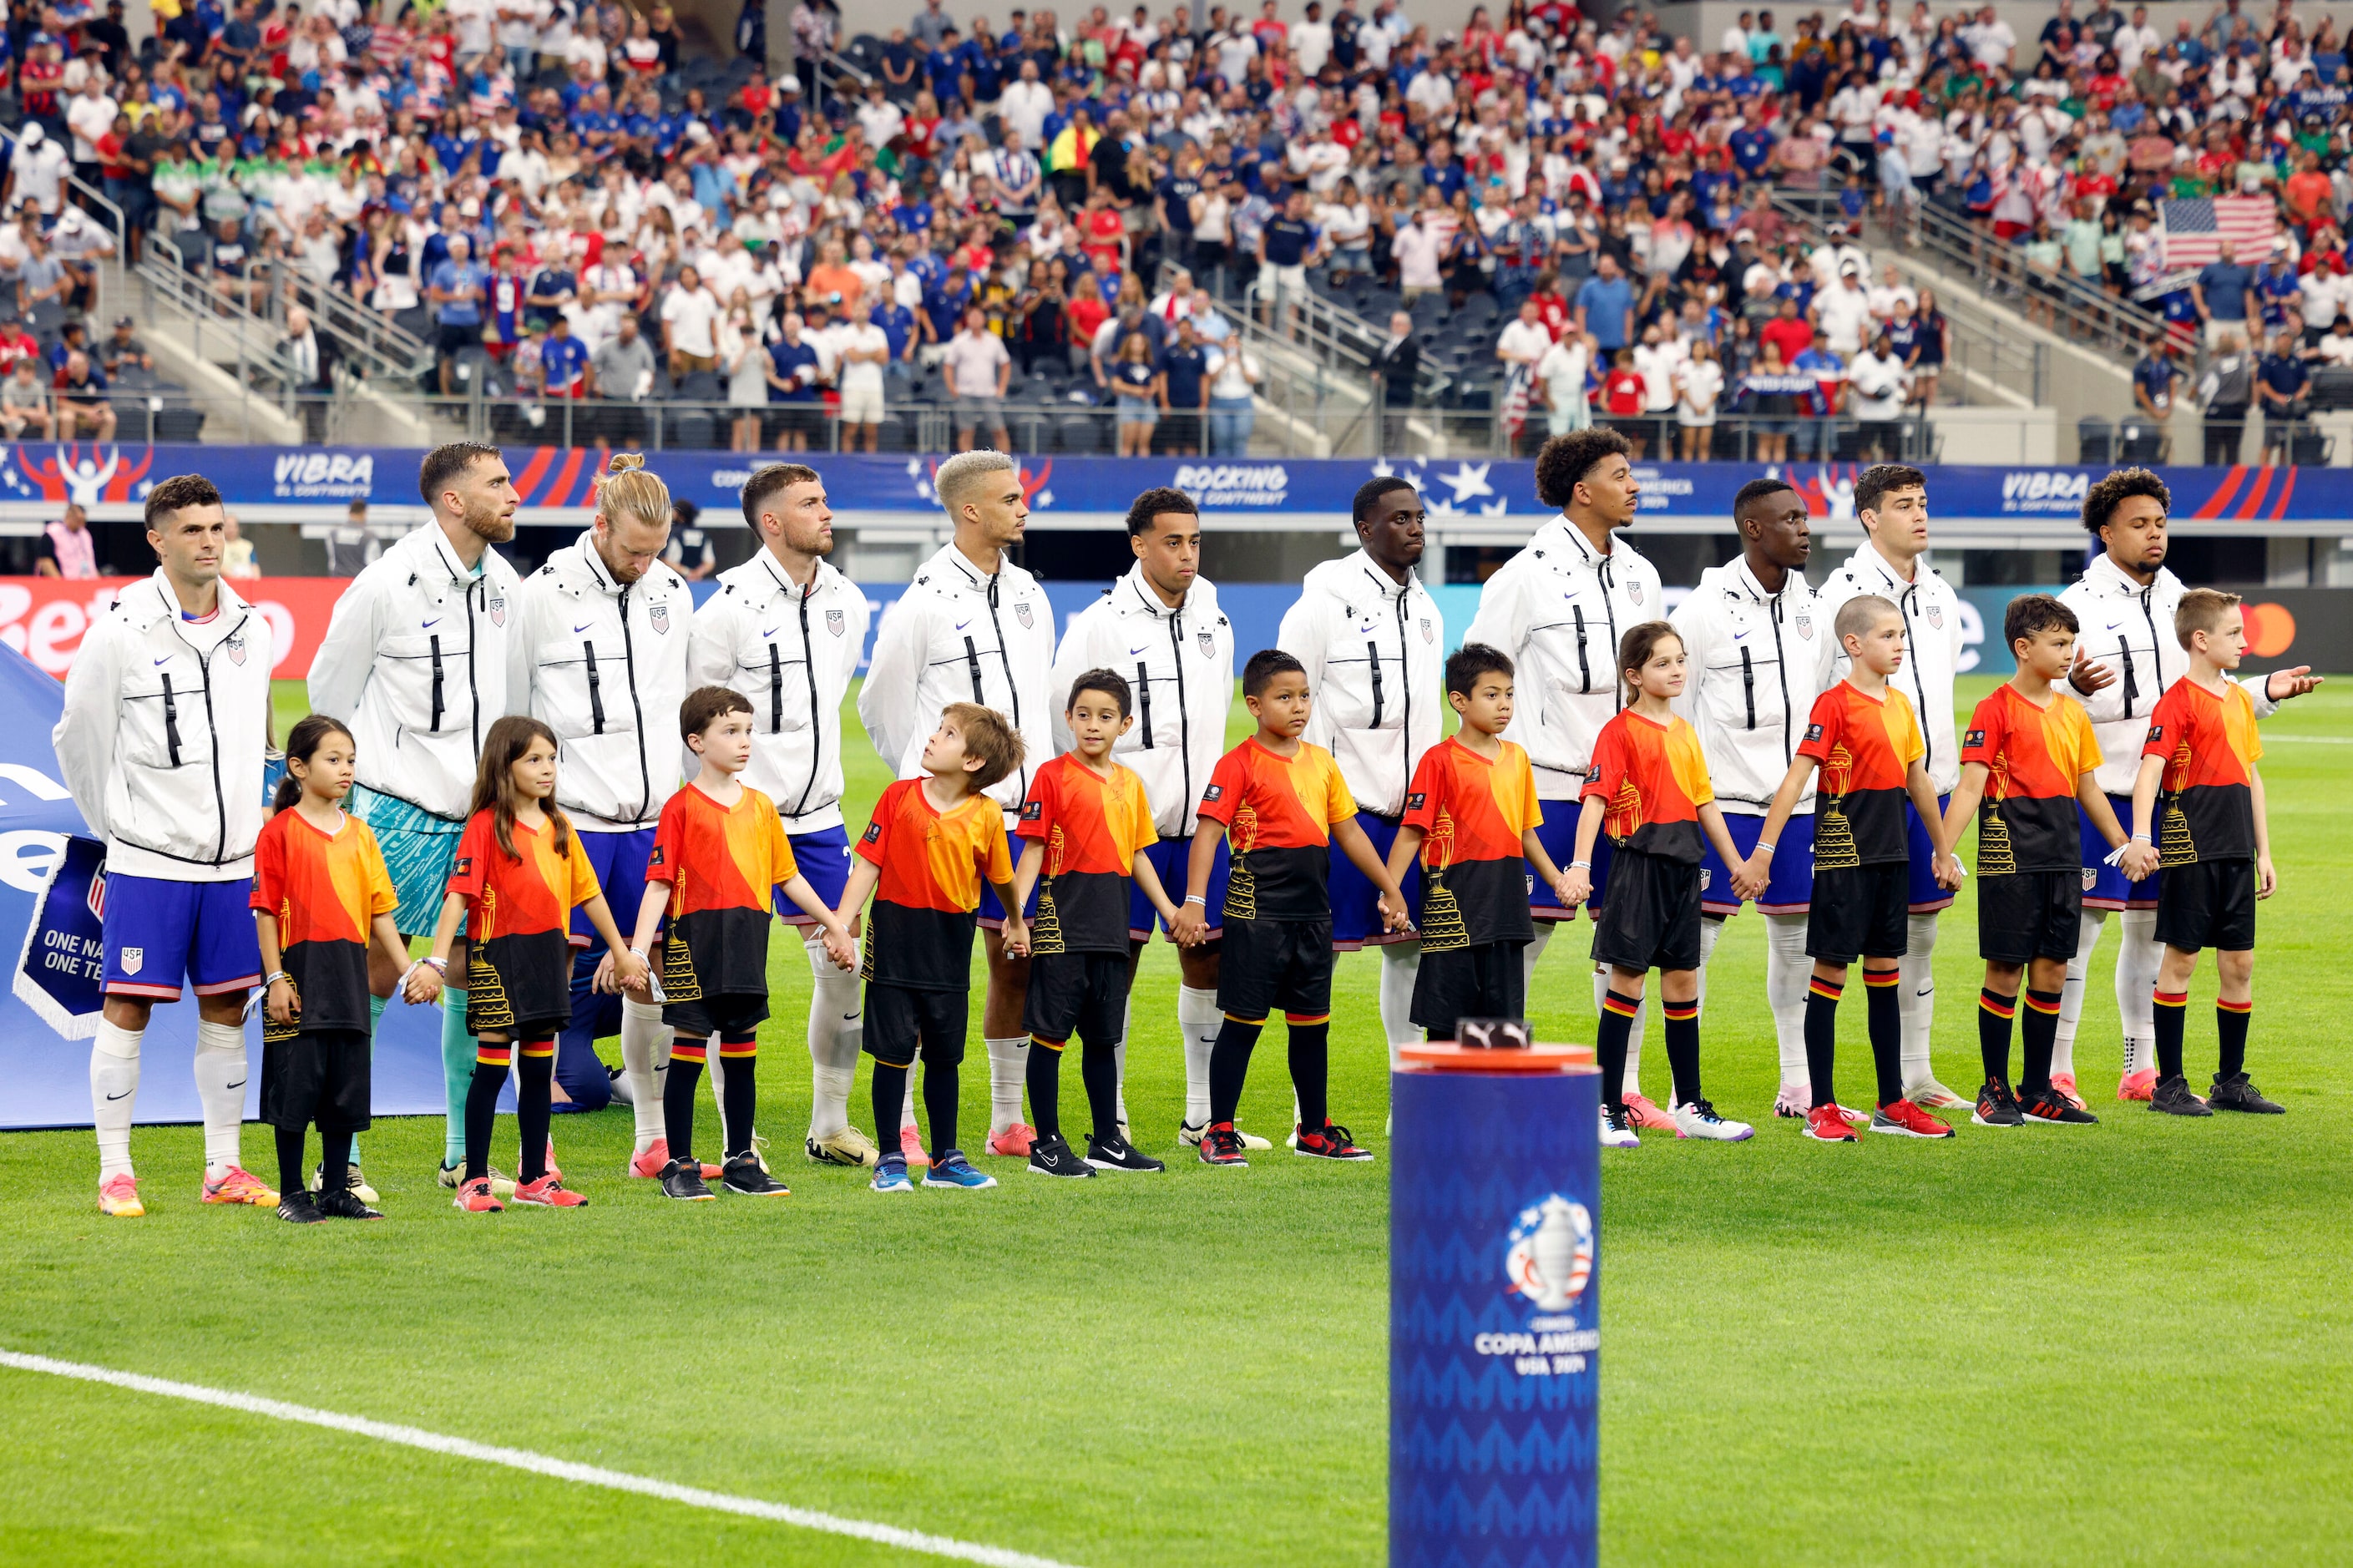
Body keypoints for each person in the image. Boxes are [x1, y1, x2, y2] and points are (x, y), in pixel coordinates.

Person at [54, 474, 277, 1218]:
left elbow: (258, 743)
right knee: (127, 1008)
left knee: (226, 1007)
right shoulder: (120, 631)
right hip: (149, 861)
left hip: (233, 865)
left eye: (216, 527)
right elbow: (78, 740)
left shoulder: (255, 627)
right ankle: (115, 1172)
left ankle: (225, 1167)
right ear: (157, 539)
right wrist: (116, 827)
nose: (210, 541)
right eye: (192, 530)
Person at [2055, 469, 2310, 1102]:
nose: (2154, 535)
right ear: (2106, 532)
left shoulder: (2185, 600)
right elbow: (2043, 700)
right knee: (2080, 933)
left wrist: (2266, 693)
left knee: (2150, 934)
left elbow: (2207, 698)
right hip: (2102, 790)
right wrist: (2075, 690)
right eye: (2139, 525)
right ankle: (2059, 1066)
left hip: (2177, 802)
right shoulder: (2078, 606)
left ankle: (2139, 1067)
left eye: (2160, 524)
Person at [310, 443, 525, 1191]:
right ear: (454, 501)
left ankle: (463, 1154)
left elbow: (514, 700)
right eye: (498, 484)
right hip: (396, 809)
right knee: (367, 974)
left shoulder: (505, 583)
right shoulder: (383, 584)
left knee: (469, 972)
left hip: (480, 818)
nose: (514, 494)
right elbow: (328, 692)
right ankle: (343, 1157)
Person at [1465, 431, 1669, 1121]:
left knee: (1626, 944)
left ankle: (1625, 1089)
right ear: (1584, 490)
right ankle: (1492, 1086)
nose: (1634, 484)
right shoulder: (1523, 575)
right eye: (1621, 473)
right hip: (1547, 788)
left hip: (1630, 796)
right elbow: (1474, 678)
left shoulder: (1641, 573)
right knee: (1519, 939)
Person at [861, 450, 1058, 1162]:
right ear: (970, 510)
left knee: (1016, 961)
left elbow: (1042, 704)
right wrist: (933, 793)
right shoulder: (923, 602)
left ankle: (1007, 1120)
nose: (1023, 508)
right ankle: (906, 1122)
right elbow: (880, 704)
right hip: (940, 822)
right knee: (921, 973)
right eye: (1011, 499)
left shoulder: (1032, 594)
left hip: (1019, 816)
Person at [688, 464, 876, 1166]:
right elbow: (697, 721)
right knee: (727, 984)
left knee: (845, 965)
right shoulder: (727, 609)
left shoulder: (847, 600)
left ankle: (830, 1125)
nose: (827, 512)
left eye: (825, 498)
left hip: (820, 821)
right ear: (772, 522)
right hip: (736, 825)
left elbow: (837, 702)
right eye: (810, 503)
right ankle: (737, 1133)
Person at [1047, 488, 1246, 1147]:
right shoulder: (1100, 623)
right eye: (1171, 541)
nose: (1186, 554)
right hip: (1125, 834)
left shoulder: (1212, 609)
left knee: (1210, 960)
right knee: (1116, 970)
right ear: (1138, 545)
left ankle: (1201, 1114)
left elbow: (1216, 708)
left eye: (1193, 540)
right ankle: (1115, 1115)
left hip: (1204, 829)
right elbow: (1064, 719)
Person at [507, 454, 693, 1145]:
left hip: (653, 821)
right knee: (564, 978)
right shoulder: (543, 593)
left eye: (656, 552)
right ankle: (549, 1074)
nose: (645, 565)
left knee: (657, 965)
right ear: (600, 524)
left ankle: (639, 1085)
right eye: (633, 551)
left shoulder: (673, 592)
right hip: (576, 821)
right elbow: (512, 708)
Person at [1171, 650, 1408, 1167]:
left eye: (1304, 696)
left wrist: (1390, 887)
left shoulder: (1322, 762)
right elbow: (1207, 835)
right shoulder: (1237, 764)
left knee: (1312, 1024)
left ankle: (1315, 1131)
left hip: (1311, 916)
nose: (1298, 706)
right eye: (1284, 697)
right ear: (1254, 705)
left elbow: (1347, 831)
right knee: (1243, 1022)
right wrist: (1193, 901)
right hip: (1257, 914)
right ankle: (1220, 1130)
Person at [1746, 596, 1963, 1143]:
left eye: (1901, 635)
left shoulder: (1901, 706)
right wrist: (1764, 851)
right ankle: (1821, 1107)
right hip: (1845, 861)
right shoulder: (1833, 705)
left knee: (1885, 976)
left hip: (1893, 857)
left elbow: (1919, 782)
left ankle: (1892, 1103)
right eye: (1888, 635)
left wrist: (1942, 851)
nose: (1899, 644)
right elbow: (1797, 778)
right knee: (1831, 976)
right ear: (1854, 644)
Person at [625, 686, 854, 1201]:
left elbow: (788, 878)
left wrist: (833, 923)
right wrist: (639, 952)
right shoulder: (681, 808)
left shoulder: (763, 808)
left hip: (748, 942)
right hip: (694, 944)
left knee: (742, 1054)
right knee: (686, 1050)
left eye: (749, 730)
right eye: (730, 731)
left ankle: (740, 1161)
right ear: (697, 742)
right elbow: (659, 883)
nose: (745, 741)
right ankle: (678, 1165)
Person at [416, 716, 646, 1211]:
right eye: (534, 760)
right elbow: (458, 898)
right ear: (505, 766)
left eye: (552, 759)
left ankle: (534, 1179)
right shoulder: (485, 827)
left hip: (545, 958)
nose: (548, 770)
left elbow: (590, 895)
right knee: (493, 1070)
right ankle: (473, 1182)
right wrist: (437, 961)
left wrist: (622, 951)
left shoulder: (561, 827)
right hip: (498, 959)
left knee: (540, 1070)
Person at [1941, 595, 2148, 1130]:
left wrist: (2124, 844)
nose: (2068, 653)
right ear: (2023, 647)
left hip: (2062, 858)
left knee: (2054, 970)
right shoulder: (1996, 708)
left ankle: (2037, 1089)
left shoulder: (2073, 714)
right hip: (2010, 859)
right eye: (2058, 643)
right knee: (2006, 969)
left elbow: (2087, 788)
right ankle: (1993, 1090)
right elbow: (1970, 785)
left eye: (2070, 642)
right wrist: (1945, 849)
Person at [1668, 478, 1834, 1117]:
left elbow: (1825, 696)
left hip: (1798, 807)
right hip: (1724, 807)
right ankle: (1677, 1091)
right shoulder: (1703, 612)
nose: (1804, 528)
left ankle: (1796, 1086)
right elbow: (1674, 716)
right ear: (1753, 529)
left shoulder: (1813, 607)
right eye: (1790, 518)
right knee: (1693, 947)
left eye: (1805, 517)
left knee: (1797, 940)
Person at [1561, 623, 1757, 1148]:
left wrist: (1738, 863)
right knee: (1627, 984)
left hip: (1682, 870)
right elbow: (1596, 802)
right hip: (1637, 868)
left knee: (1683, 985)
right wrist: (1581, 865)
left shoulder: (1686, 732)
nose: (1676, 670)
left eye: (1680, 660)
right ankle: (1606, 1110)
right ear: (1634, 675)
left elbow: (1704, 805)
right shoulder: (1620, 731)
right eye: (1662, 663)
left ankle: (1690, 1106)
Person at [1277, 478, 1443, 1085]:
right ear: (1365, 529)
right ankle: (1306, 1115)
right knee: (1319, 960)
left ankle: (1410, 1102)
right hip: (1342, 817)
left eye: (1420, 517)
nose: (1415, 527)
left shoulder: (1426, 607)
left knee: (1411, 951)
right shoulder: (1322, 604)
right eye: (1400, 518)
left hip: (1416, 820)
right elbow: (1285, 704)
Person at [1814, 464, 1971, 1108]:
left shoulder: (1938, 594)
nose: (1920, 514)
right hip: (1860, 801)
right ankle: (1803, 1083)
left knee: (1920, 934)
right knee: (1820, 941)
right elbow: (1816, 694)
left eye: (1923, 503)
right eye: (1904, 505)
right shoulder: (1839, 593)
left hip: (1929, 787)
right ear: (1870, 518)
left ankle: (1916, 1075)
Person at [837, 705, 1029, 1194]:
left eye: (947, 734)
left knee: (945, 1056)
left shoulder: (986, 814)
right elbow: (867, 866)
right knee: (893, 1053)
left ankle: (945, 1159)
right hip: (895, 941)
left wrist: (1015, 922)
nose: (931, 738)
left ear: (972, 762)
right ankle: (891, 1159)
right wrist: (841, 925)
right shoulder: (897, 797)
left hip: (949, 947)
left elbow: (1001, 878)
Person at [1007, 669, 1182, 1177]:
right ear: (1068, 718)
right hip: (1062, 929)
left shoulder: (1130, 783)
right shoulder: (1052, 775)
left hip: (1112, 929)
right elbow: (1033, 849)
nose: (1092, 725)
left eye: (1105, 717)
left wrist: (1169, 911)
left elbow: (1138, 856)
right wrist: (1018, 920)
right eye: (1083, 715)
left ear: (1125, 723)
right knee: (1050, 1037)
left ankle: (1107, 1139)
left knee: (1104, 1039)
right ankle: (1047, 1143)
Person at [2130, 590, 2281, 1116]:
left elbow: (2251, 775)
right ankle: (2168, 1084)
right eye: (2234, 632)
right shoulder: (2176, 702)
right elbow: (2150, 771)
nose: (2244, 641)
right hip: (2191, 849)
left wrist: (2264, 851)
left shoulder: (2240, 700)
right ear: (2202, 639)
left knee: (2239, 964)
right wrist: (2143, 836)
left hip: (2237, 850)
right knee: (2183, 960)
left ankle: (2231, 1082)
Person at [252, 716, 407, 1222]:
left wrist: (406, 970)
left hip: (347, 975)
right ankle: (293, 1193)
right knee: (295, 1082)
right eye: (333, 759)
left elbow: (381, 911)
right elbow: (267, 911)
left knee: (346, 1084)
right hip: (298, 975)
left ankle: (338, 1190)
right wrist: (275, 978)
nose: (346, 770)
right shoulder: (278, 833)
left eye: (351, 760)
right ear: (298, 767)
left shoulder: (361, 835)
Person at [1385, 644, 1575, 1043]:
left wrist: (1556, 880)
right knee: (1446, 1026)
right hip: (1453, 911)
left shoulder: (1518, 758)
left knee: (1503, 1027)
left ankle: (1497, 1106)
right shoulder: (1439, 761)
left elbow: (1525, 832)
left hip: (1505, 909)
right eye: (1491, 695)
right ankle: (1442, 1107)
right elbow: (1412, 831)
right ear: (1459, 700)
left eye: (1509, 694)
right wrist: (1391, 891)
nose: (1504, 704)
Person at [35, 503, 97, 578]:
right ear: (68, 515)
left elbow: (90, 561)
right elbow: (45, 561)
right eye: (77, 519)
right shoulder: (53, 533)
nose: (80, 523)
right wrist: (61, 584)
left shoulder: (85, 534)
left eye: (82, 520)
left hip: (84, 581)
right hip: (63, 582)